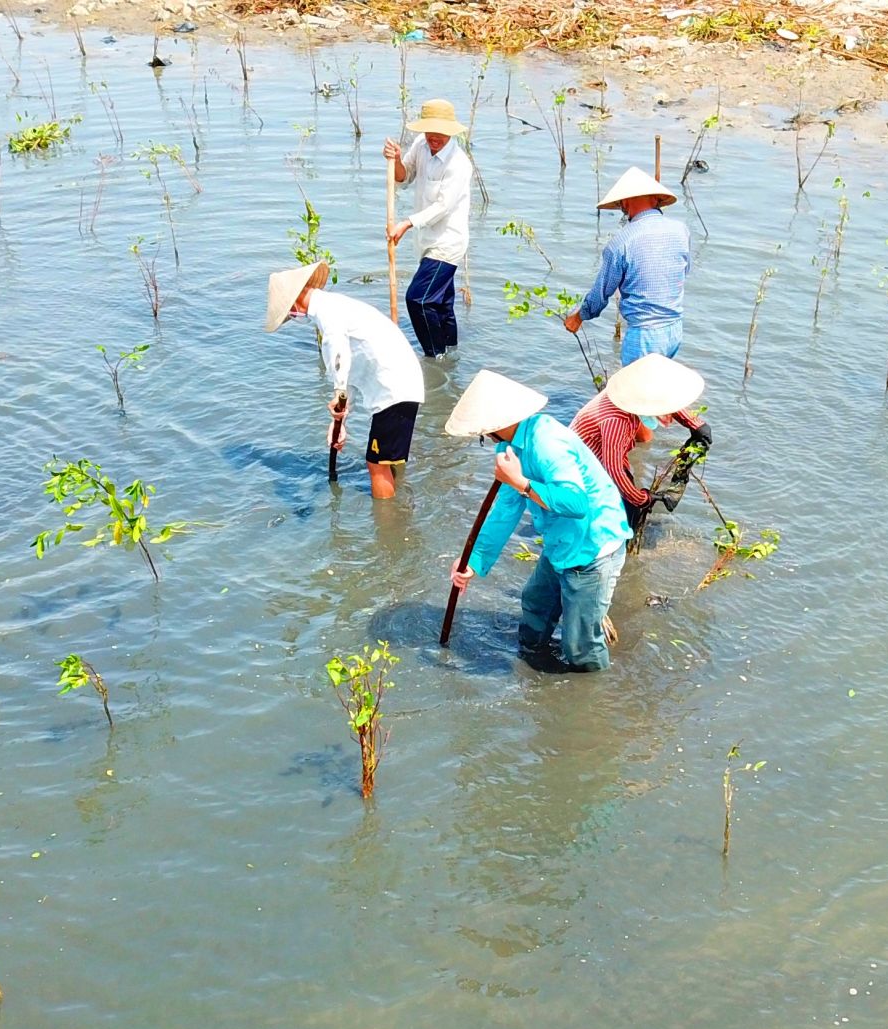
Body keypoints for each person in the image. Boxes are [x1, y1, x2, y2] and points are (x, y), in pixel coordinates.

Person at [446, 370, 634, 672]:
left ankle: (592, 704)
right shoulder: (508, 447)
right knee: (535, 606)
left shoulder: (547, 441)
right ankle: (534, 663)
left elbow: (576, 503)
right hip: (560, 542)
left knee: (580, 645)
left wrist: (521, 482)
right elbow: (506, 509)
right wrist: (475, 560)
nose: (484, 437)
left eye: (482, 432)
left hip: (593, 546)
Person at [264, 261, 425, 499]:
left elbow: (338, 352)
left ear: (295, 302)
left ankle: (388, 528)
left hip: (395, 389)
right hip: (400, 384)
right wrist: (340, 421)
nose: (293, 316)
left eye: (289, 312)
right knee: (389, 459)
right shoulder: (335, 305)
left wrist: (338, 392)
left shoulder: (328, 314)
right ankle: (400, 509)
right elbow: (350, 366)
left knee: (376, 464)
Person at [570, 353, 713, 534]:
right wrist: (642, 499)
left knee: (628, 500)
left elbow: (665, 399)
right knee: (618, 509)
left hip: (604, 452)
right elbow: (613, 469)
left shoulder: (628, 395)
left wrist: (695, 424)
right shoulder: (616, 420)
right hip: (583, 462)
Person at [564, 166, 691, 365]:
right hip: (674, 329)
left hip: (644, 336)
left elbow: (600, 295)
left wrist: (578, 317)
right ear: (655, 198)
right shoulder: (680, 230)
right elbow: (683, 273)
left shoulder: (621, 242)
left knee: (633, 395)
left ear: (625, 202)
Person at [383, 99, 473, 358]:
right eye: (429, 131)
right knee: (442, 306)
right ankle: (450, 354)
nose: (434, 138)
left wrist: (407, 223)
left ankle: (434, 357)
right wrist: (397, 159)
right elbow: (404, 176)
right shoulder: (421, 145)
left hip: (447, 243)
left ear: (450, 131)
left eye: (439, 133)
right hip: (427, 242)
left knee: (418, 299)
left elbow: (443, 207)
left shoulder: (458, 164)